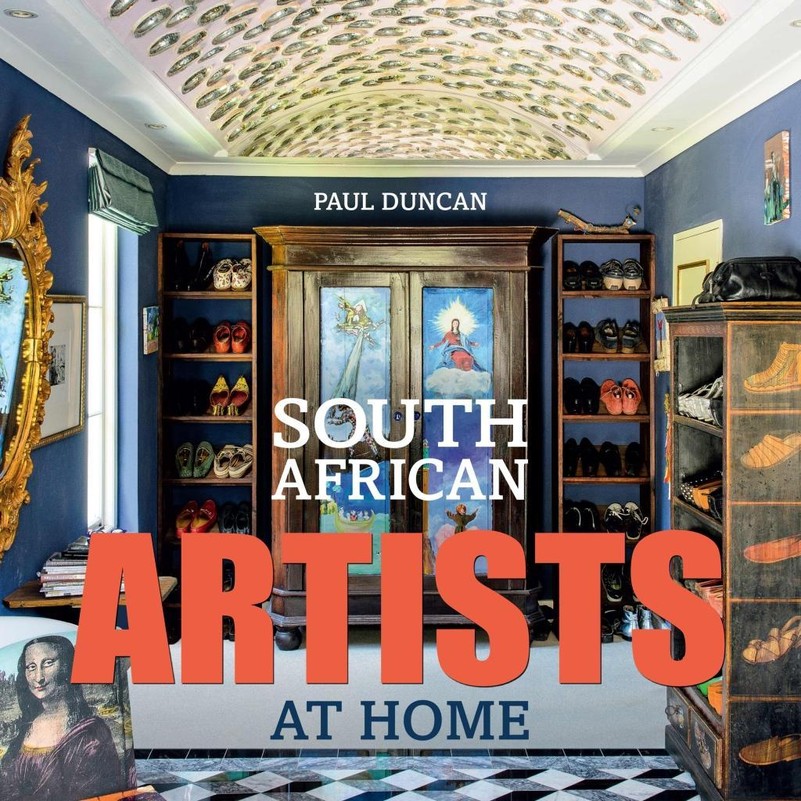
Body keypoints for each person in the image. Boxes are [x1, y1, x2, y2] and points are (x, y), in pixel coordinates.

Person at [0, 635, 125, 801]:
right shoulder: (27, 727)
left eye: (48, 663)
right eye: (31, 667)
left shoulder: (91, 733)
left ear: (66, 666)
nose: (38, 677)